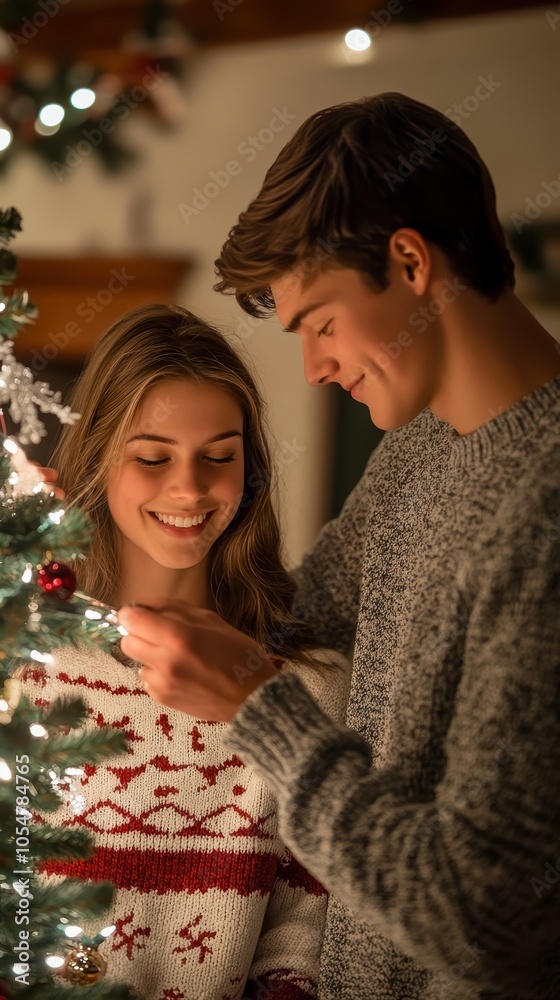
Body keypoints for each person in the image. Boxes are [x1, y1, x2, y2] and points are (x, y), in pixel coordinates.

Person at [116, 94, 560, 999]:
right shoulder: (419, 449)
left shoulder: (543, 509)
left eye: (320, 321)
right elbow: (287, 625)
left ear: (409, 261)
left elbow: (485, 921)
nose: (314, 367)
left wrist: (259, 705)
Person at [23, 303, 349, 1000]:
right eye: (152, 457)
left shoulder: (307, 689)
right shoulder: (25, 663)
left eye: (220, 457)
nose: (190, 489)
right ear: (98, 457)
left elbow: (301, 946)